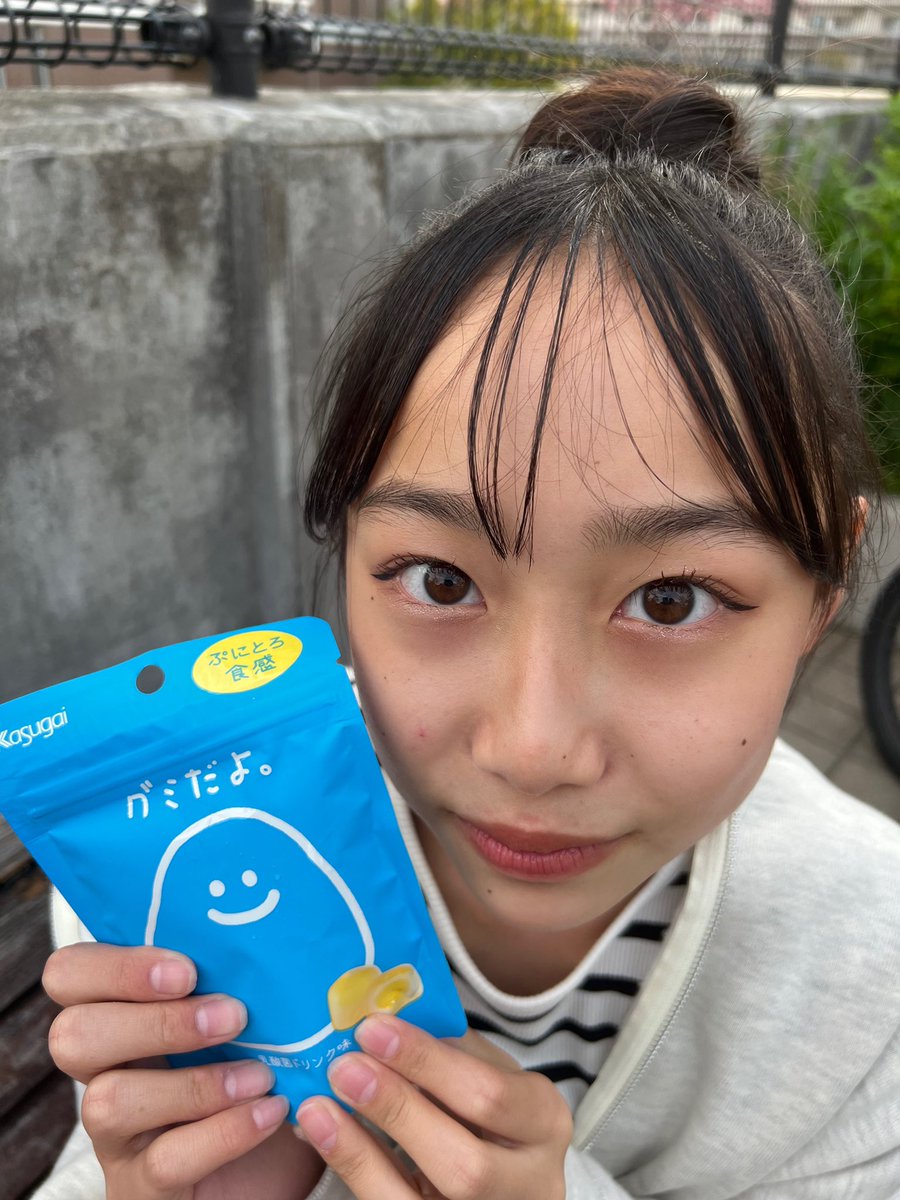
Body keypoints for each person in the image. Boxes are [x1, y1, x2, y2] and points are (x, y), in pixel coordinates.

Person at [36, 68, 900, 1200]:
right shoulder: (184, 876)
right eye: (440, 580)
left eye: (672, 599)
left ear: (822, 598)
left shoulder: (873, 983)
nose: (532, 749)